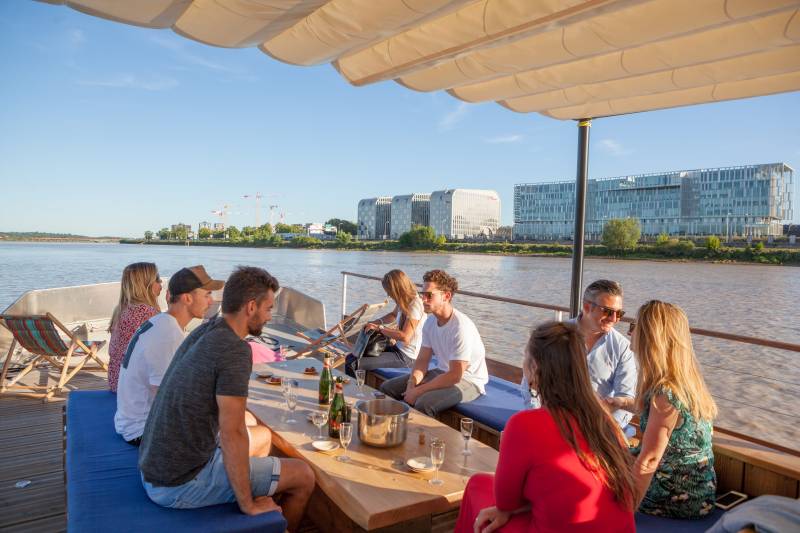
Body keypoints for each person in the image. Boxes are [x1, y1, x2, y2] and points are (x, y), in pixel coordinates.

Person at [138, 266, 314, 531]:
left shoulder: (207, 330)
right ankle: (271, 521)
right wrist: (248, 505)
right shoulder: (235, 350)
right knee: (303, 475)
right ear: (251, 307)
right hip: (179, 482)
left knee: (264, 437)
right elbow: (233, 433)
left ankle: (266, 493)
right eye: (268, 309)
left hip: (156, 466)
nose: (270, 317)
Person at [455, 321, 635, 533]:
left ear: (535, 369)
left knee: (478, 486)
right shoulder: (605, 421)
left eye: (525, 357)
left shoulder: (525, 425)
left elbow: (505, 501)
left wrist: (507, 508)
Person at [610, 300, 717, 519]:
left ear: (651, 336)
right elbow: (653, 413)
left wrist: (623, 513)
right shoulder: (682, 381)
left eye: (634, 326)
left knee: (596, 469)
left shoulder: (665, 394)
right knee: (608, 453)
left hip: (677, 496)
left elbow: (650, 459)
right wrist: (617, 402)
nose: (629, 332)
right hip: (700, 489)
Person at [114, 265, 223, 445]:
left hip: (131, 420)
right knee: (238, 426)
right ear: (187, 298)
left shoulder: (160, 322)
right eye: (207, 295)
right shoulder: (168, 335)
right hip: (143, 430)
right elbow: (166, 400)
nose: (211, 302)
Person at [520, 279, 637, 429]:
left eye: (619, 313)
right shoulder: (555, 338)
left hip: (596, 426)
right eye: (607, 311)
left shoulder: (623, 347)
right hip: (552, 419)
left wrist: (605, 431)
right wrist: (538, 419)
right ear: (587, 307)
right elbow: (530, 383)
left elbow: (625, 397)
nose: (614, 319)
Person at [380, 269, 487, 417]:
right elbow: (422, 361)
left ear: (446, 296)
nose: (423, 299)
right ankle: (388, 426)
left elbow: (455, 375)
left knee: (423, 403)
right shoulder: (430, 322)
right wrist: (411, 384)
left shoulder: (460, 327)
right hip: (443, 372)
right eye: (422, 294)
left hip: (469, 380)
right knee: (387, 388)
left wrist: (418, 391)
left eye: (429, 295)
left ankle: (416, 431)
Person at [345, 269, 426, 376]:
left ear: (397, 289)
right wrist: (375, 322)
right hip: (397, 349)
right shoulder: (405, 300)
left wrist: (379, 328)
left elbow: (405, 336)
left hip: (406, 357)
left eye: (389, 291)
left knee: (353, 363)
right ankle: (359, 383)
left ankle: (357, 386)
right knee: (350, 357)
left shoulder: (414, 305)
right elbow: (393, 315)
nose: (388, 295)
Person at [107, 262, 162, 392]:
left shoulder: (121, 309)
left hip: (116, 380)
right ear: (146, 284)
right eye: (157, 279)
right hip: (132, 386)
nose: (161, 282)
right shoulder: (147, 313)